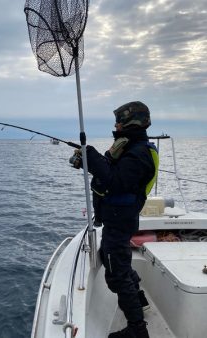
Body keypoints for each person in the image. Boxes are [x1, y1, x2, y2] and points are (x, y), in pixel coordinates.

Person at [70, 101, 158, 338]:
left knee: (116, 273)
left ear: (132, 123)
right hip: (118, 219)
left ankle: (137, 330)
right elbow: (110, 167)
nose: (116, 125)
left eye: (119, 120)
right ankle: (138, 298)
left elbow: (116, 182)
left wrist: (91, 157)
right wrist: (89, 161)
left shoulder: (139, 154)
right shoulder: (131, 146)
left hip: (120, 221)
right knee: (115, 260)